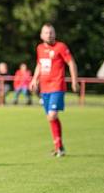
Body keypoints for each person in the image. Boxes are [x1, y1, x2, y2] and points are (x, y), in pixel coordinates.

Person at [29, 23, 78, 157]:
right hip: (44, 88)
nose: (49, 35)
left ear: (55, 34)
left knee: (52, 115)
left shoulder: (60, 47)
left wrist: (74, 81)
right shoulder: (39, 48)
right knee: (50, 118)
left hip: (57, 86)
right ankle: (59, 146)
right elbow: (39, 64)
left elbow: (71, 62)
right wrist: (34, 79)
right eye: (46, 32)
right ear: (41, 35)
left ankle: (59, 147)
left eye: (51, 32)